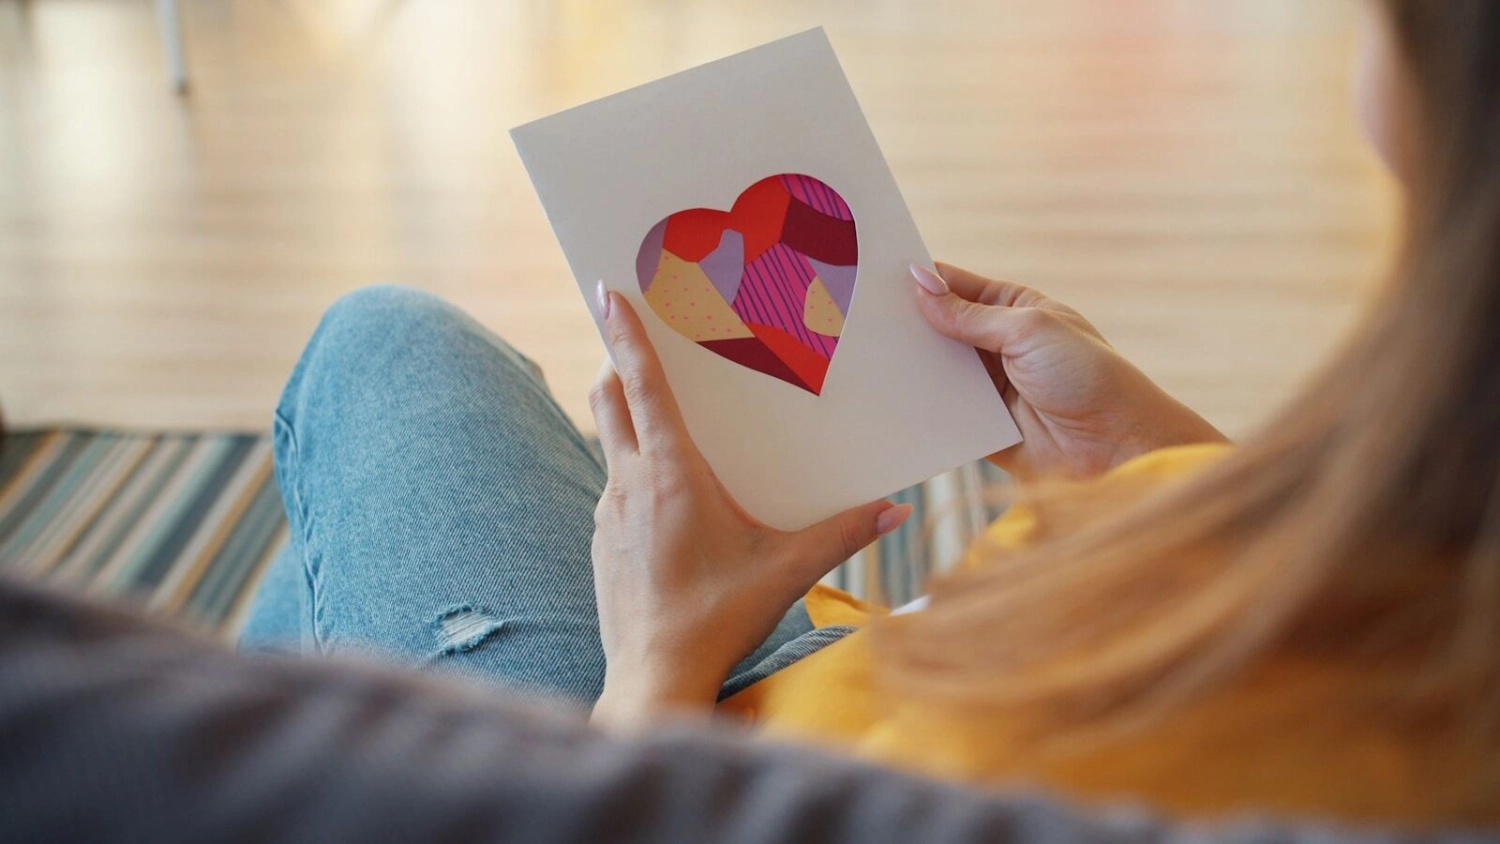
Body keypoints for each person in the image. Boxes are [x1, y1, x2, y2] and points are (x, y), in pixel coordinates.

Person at [3, 0, 1493, 838]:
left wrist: (656, 662)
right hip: (850, 666)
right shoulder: (1447, 584)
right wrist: (1153, 463)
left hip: (703, 740)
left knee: (380, 351)